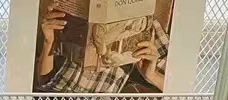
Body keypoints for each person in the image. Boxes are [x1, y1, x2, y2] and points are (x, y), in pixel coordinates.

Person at [35, 3, 168, 93]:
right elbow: (44, 82)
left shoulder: (143, 23)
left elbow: (176, 90)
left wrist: (152, 76)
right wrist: (48, 42)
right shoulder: (66, 8)